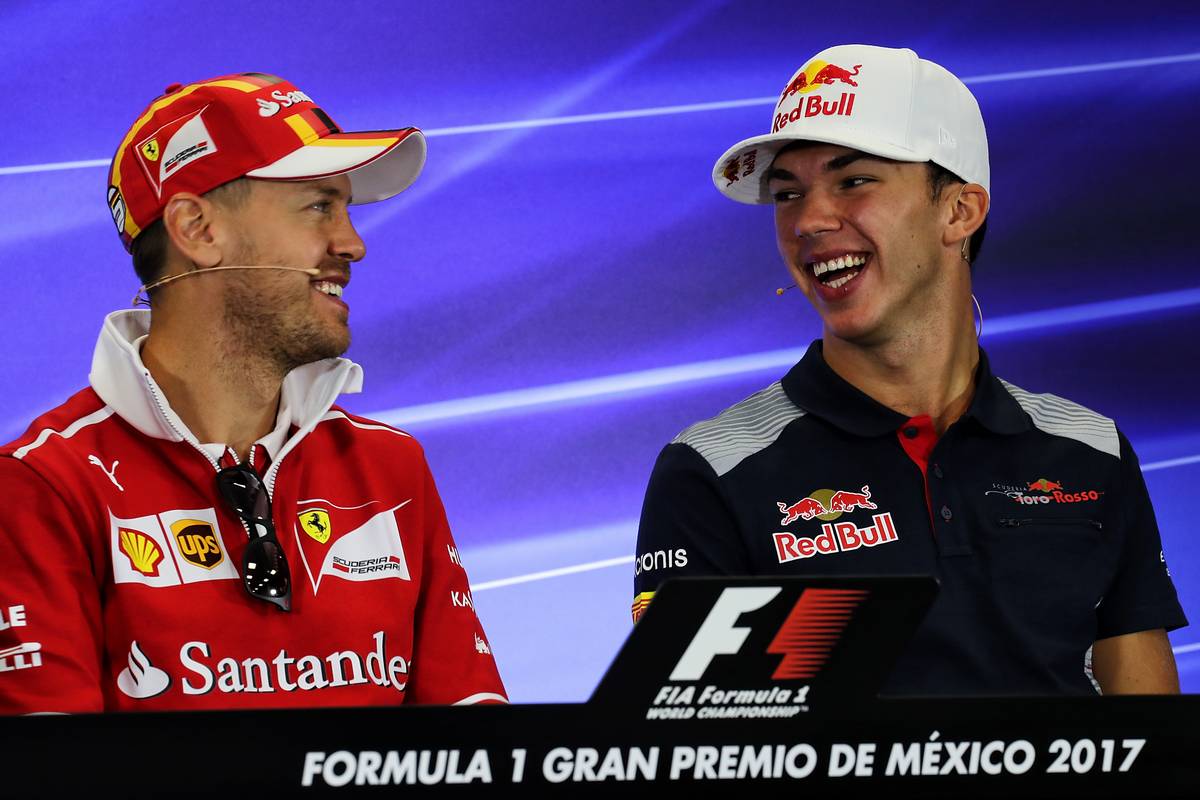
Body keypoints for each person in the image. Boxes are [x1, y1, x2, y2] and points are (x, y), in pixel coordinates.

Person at [632, 45, 1186, 695]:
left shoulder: (1091, 451)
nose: (808, 220)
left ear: (960, 211)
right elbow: (687, 753)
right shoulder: (712, 470)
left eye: (853, 180)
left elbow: (1151, 740)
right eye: (788, 194)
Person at [0, 73, 506, 712]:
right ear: (198, 229)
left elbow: (475, 754)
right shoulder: (44, 487)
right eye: (319, 206)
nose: (352, 244)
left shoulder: (390, 469)